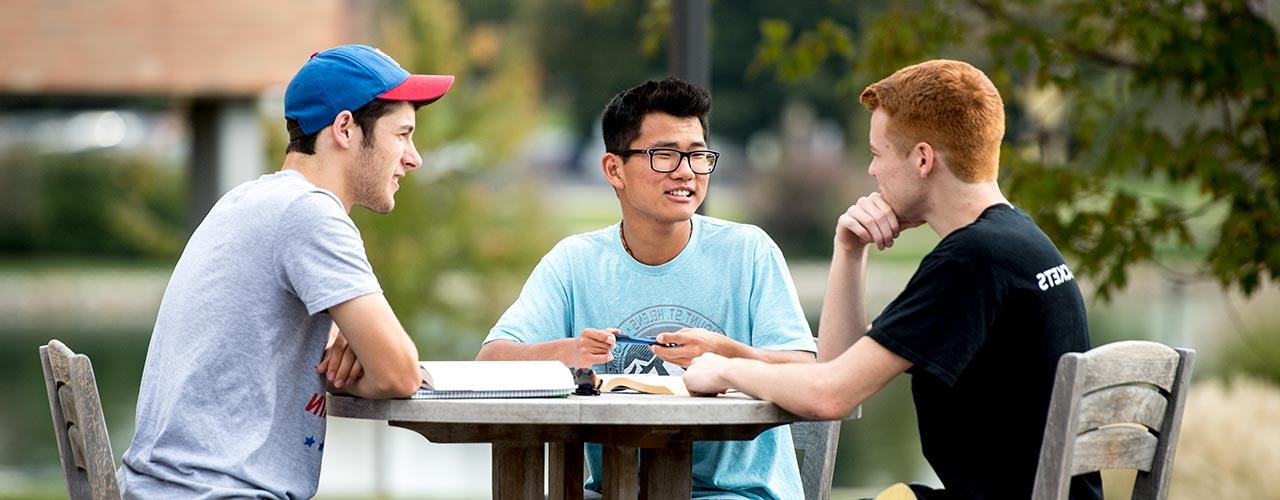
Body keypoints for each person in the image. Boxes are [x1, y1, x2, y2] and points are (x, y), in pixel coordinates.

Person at [683, 60, 1103, 500]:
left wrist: (726, 369)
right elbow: (837, 370)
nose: (872, 171)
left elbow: (830, 398)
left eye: (877, 154)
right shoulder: (1019, 240)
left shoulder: (971, 262)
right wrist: (849, 250)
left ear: (922, 159)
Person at [117, 45, 453, 498]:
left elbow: (370, 363)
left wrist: (357, 344)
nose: (414, 157)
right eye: (403, 135)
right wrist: (377, 356)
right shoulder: (309, 215)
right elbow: (399, 375)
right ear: (346, 129)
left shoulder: (247, 200)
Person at [476, 77, 817, 498]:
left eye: (696, 156)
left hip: (739, 494)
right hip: (616, 490)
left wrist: (725, 353)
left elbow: (809, 376)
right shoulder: (575, 262)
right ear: (614, 169)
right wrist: (570, 352)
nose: (685, 172)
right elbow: (491, 362)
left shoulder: (748, 253)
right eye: (664, 155)